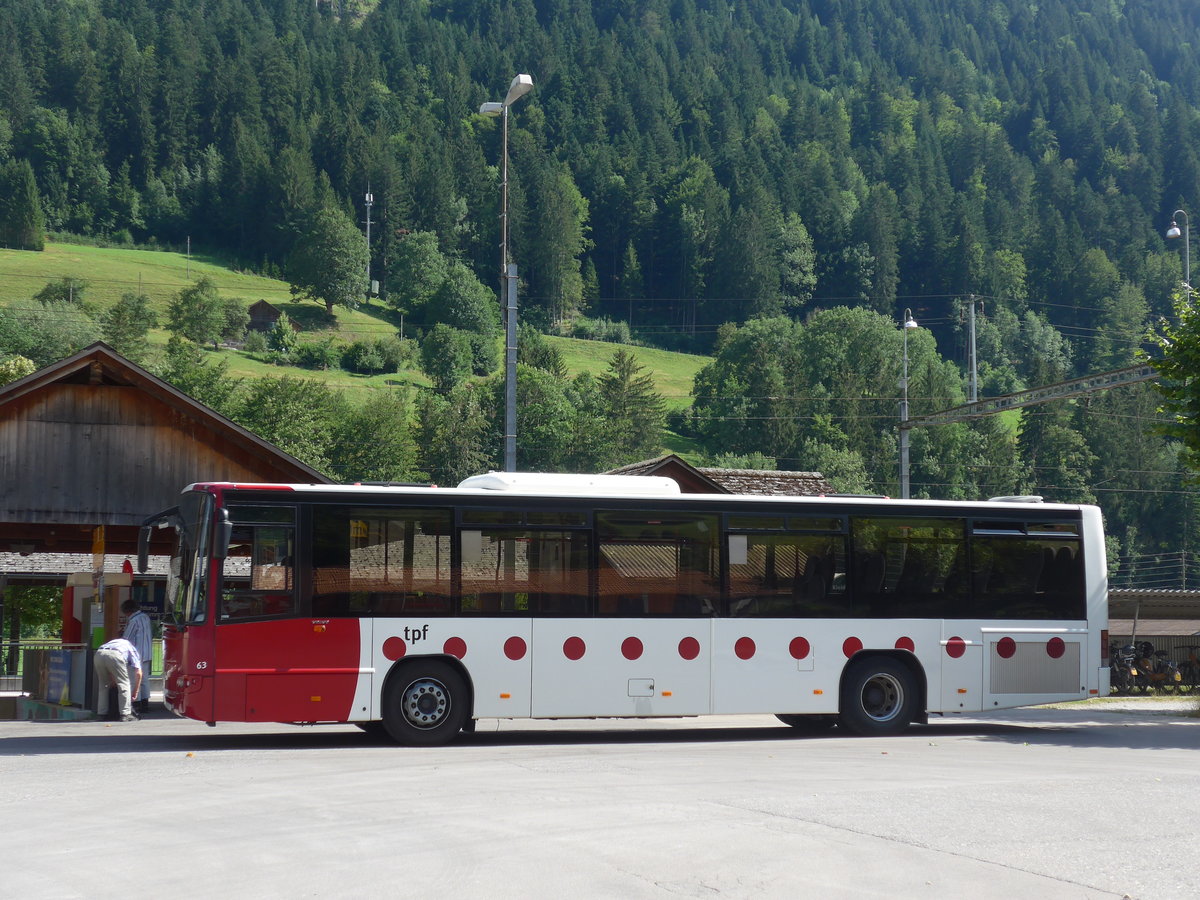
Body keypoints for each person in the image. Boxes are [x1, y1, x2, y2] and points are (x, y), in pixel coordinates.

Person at [93, 637, 142, 722]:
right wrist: (135, 691)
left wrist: (113, 680)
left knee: (103, 685)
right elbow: (138, 673)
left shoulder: (115, 642)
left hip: (99, 653)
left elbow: (111, 668)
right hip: (115, 654)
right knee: (124, 684)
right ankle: (125, 714)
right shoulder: (132, 649)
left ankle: (101, 714)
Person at [121, 598, 153, 714]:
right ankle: (145, 703)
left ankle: (136, 704)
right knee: (145, 680)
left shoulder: (133, 620)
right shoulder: (145, 617)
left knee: (135, 679)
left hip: (136, 654)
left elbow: (126, 637)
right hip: (147, 652)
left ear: (127, 611)